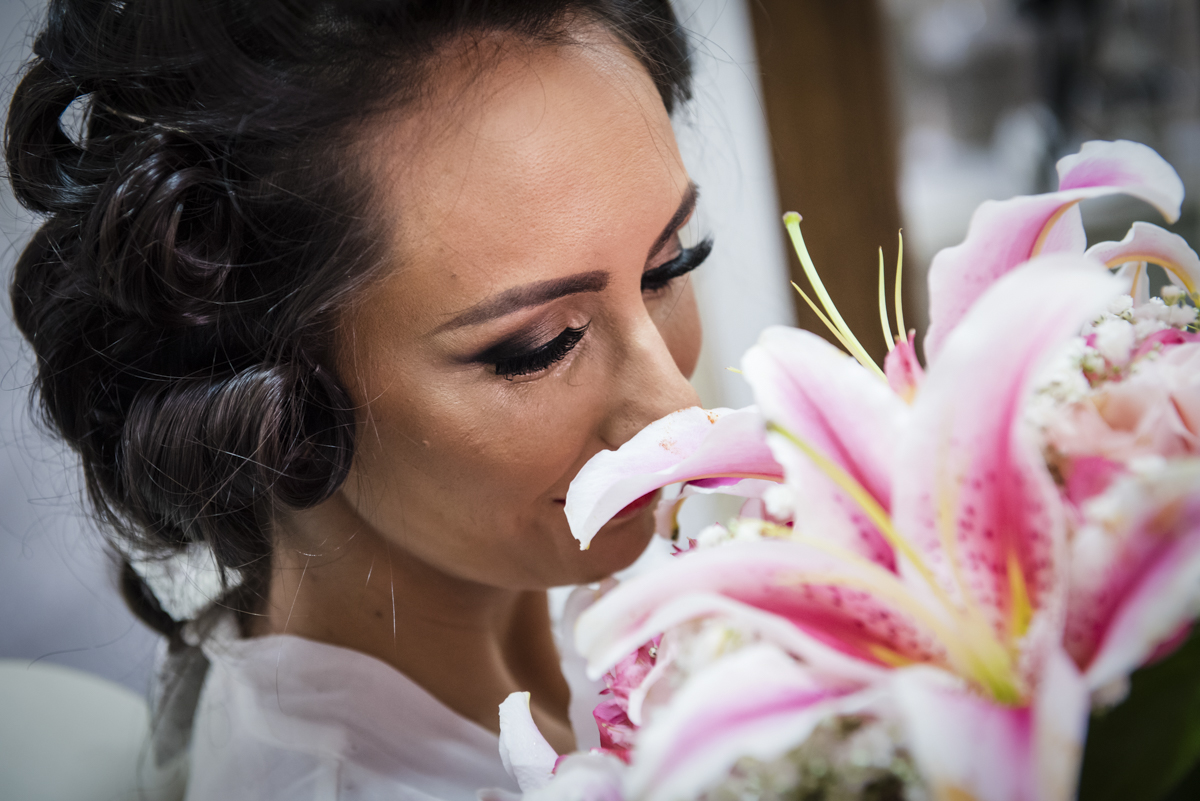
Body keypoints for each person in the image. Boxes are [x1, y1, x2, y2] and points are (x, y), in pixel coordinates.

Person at [5, 1, 707, 798]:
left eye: (669, 265)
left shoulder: (577, 582)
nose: (678, 413)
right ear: (275, 400)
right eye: (537, 346)